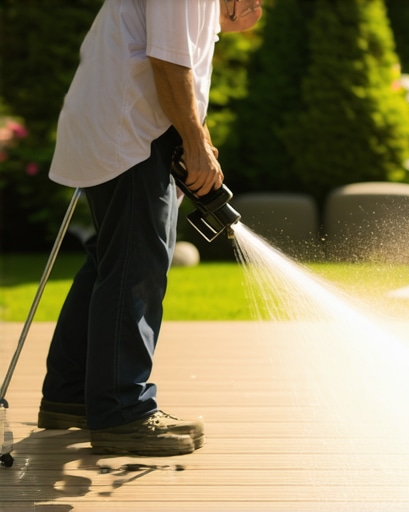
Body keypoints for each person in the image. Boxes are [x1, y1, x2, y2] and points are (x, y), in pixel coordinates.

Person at [37, 0, 262, 457]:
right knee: (135, 264)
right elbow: (167, 59)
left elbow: (177, 45)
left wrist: (195, 134)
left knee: (113, 258)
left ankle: (70, 395)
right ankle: (122, 411)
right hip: (130, 131)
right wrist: (195, 141)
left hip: (123, 125)